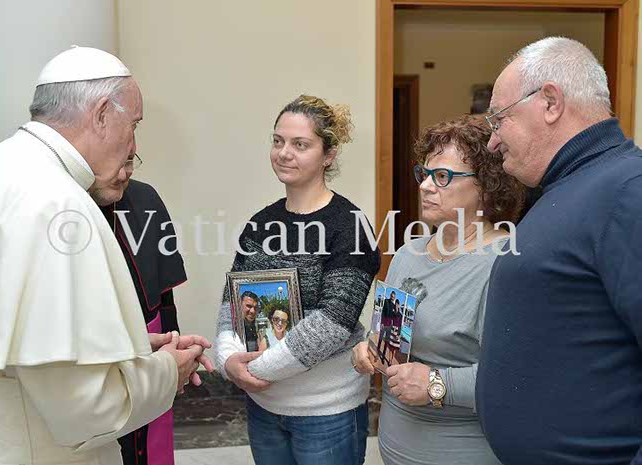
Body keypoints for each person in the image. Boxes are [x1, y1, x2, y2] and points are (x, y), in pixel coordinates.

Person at [0, 46, 212, 465]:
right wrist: (166, 372)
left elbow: (26, 346)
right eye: (133, 125)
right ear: (102, 114)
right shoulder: (57, 203)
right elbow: (87, 413)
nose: (133, 144)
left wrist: (126, 349)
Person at [476, 37, 642, 465]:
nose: (492, 142)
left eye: (498, 119)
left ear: (550, 102)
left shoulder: (628, 193)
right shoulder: (567, 188)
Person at [214, 94, 380, 465]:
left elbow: (333, 322)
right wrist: (228, 360)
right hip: (263, 407)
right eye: (278, 141)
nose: (284, 153)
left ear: (328, 154)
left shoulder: (349, 226)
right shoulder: (261, 223)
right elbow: (232, 301)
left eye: (300, 144)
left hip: (326, 412)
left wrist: (251, 369)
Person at [352, 114, 524, 465]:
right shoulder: (407, 254)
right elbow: (388, 337)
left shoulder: (506, 263)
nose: (426, 186)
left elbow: (519, 377)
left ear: (486, 186)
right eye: (424, 174)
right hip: (397, 446)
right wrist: (368, 349)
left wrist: (436, 383)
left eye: (442, 176)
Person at [98, 156, 188, 465]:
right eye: (119, 162)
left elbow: (164, 291)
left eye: (130, 161)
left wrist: (175, 340)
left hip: (152, 339)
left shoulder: (146, 198)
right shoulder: (71, 204)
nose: (125, 172)